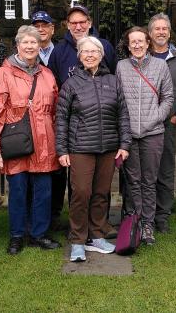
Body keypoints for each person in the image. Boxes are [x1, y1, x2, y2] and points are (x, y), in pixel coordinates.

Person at [56, 36, 131, 262]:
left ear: (101, 55)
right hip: (80, 147)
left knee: (101, 193)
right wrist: (62, 150)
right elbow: (61, 119)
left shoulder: (112, 81)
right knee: (80, 193)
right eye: (85, 52)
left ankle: (97, 236)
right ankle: (78, 239)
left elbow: (123, 115)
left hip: (108, 147)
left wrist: (124, 144)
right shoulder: (71, 84)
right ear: (79, 56)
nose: (90, 55)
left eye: (94, 52)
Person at [0, 25, 61, 255]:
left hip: (45, 142)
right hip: (17, 142)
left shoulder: (47, 74)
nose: (30, 47)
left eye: (34, 43)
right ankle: (17, 235)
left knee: (43, 192)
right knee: (18, 191)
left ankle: (39, 234)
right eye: (25, 43)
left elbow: (57, 111)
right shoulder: (3, 74)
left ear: (40, 46)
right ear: (17, 45)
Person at [47, 5, 117, 232]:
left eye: (82, 22)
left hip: (104, 128)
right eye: (73, 23)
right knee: (79, 186)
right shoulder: (59, 51)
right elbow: (53, 84)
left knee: (101, 186)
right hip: (77, 128)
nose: (78, 26)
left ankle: (99, 224)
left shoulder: (105, 45)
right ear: (68, 25)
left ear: (89, 22)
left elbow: (113, 79)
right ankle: (75, 227)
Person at [116, 26, 173, 245]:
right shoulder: (121, 67)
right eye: (133, 42)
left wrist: (155, 118)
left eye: (141, 41)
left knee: (149, 181)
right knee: (132, 180)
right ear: (128, 45)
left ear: (148, 43)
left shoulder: (160, 66)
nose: (137, 45)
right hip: (129, 135)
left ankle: (148, 224)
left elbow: (168, 97)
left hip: (153, 133)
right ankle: (134, 221)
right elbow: (118, 99)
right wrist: (125, 126)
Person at [148, 13, 176, 233]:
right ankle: (145, 212)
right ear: (150, 33)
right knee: (145, 170)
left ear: (169, 32)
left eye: (165, 29)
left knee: (166, 169)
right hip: (144, 123)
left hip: (168, 122)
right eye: (157, 29)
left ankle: (162, 214)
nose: (161, 32)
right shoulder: (142, 55)